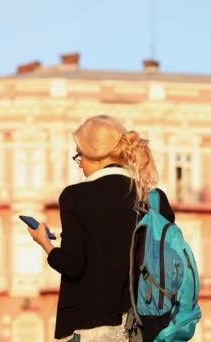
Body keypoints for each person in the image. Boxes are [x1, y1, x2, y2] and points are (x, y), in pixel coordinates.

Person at [27, 115, 175, 341]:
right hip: (144, 327)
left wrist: (45, 243)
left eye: (79, 155)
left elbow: (73, 265)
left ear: (94, 155)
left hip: (90, 327)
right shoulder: (154, 199)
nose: (80, 163)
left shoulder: (76, 197)